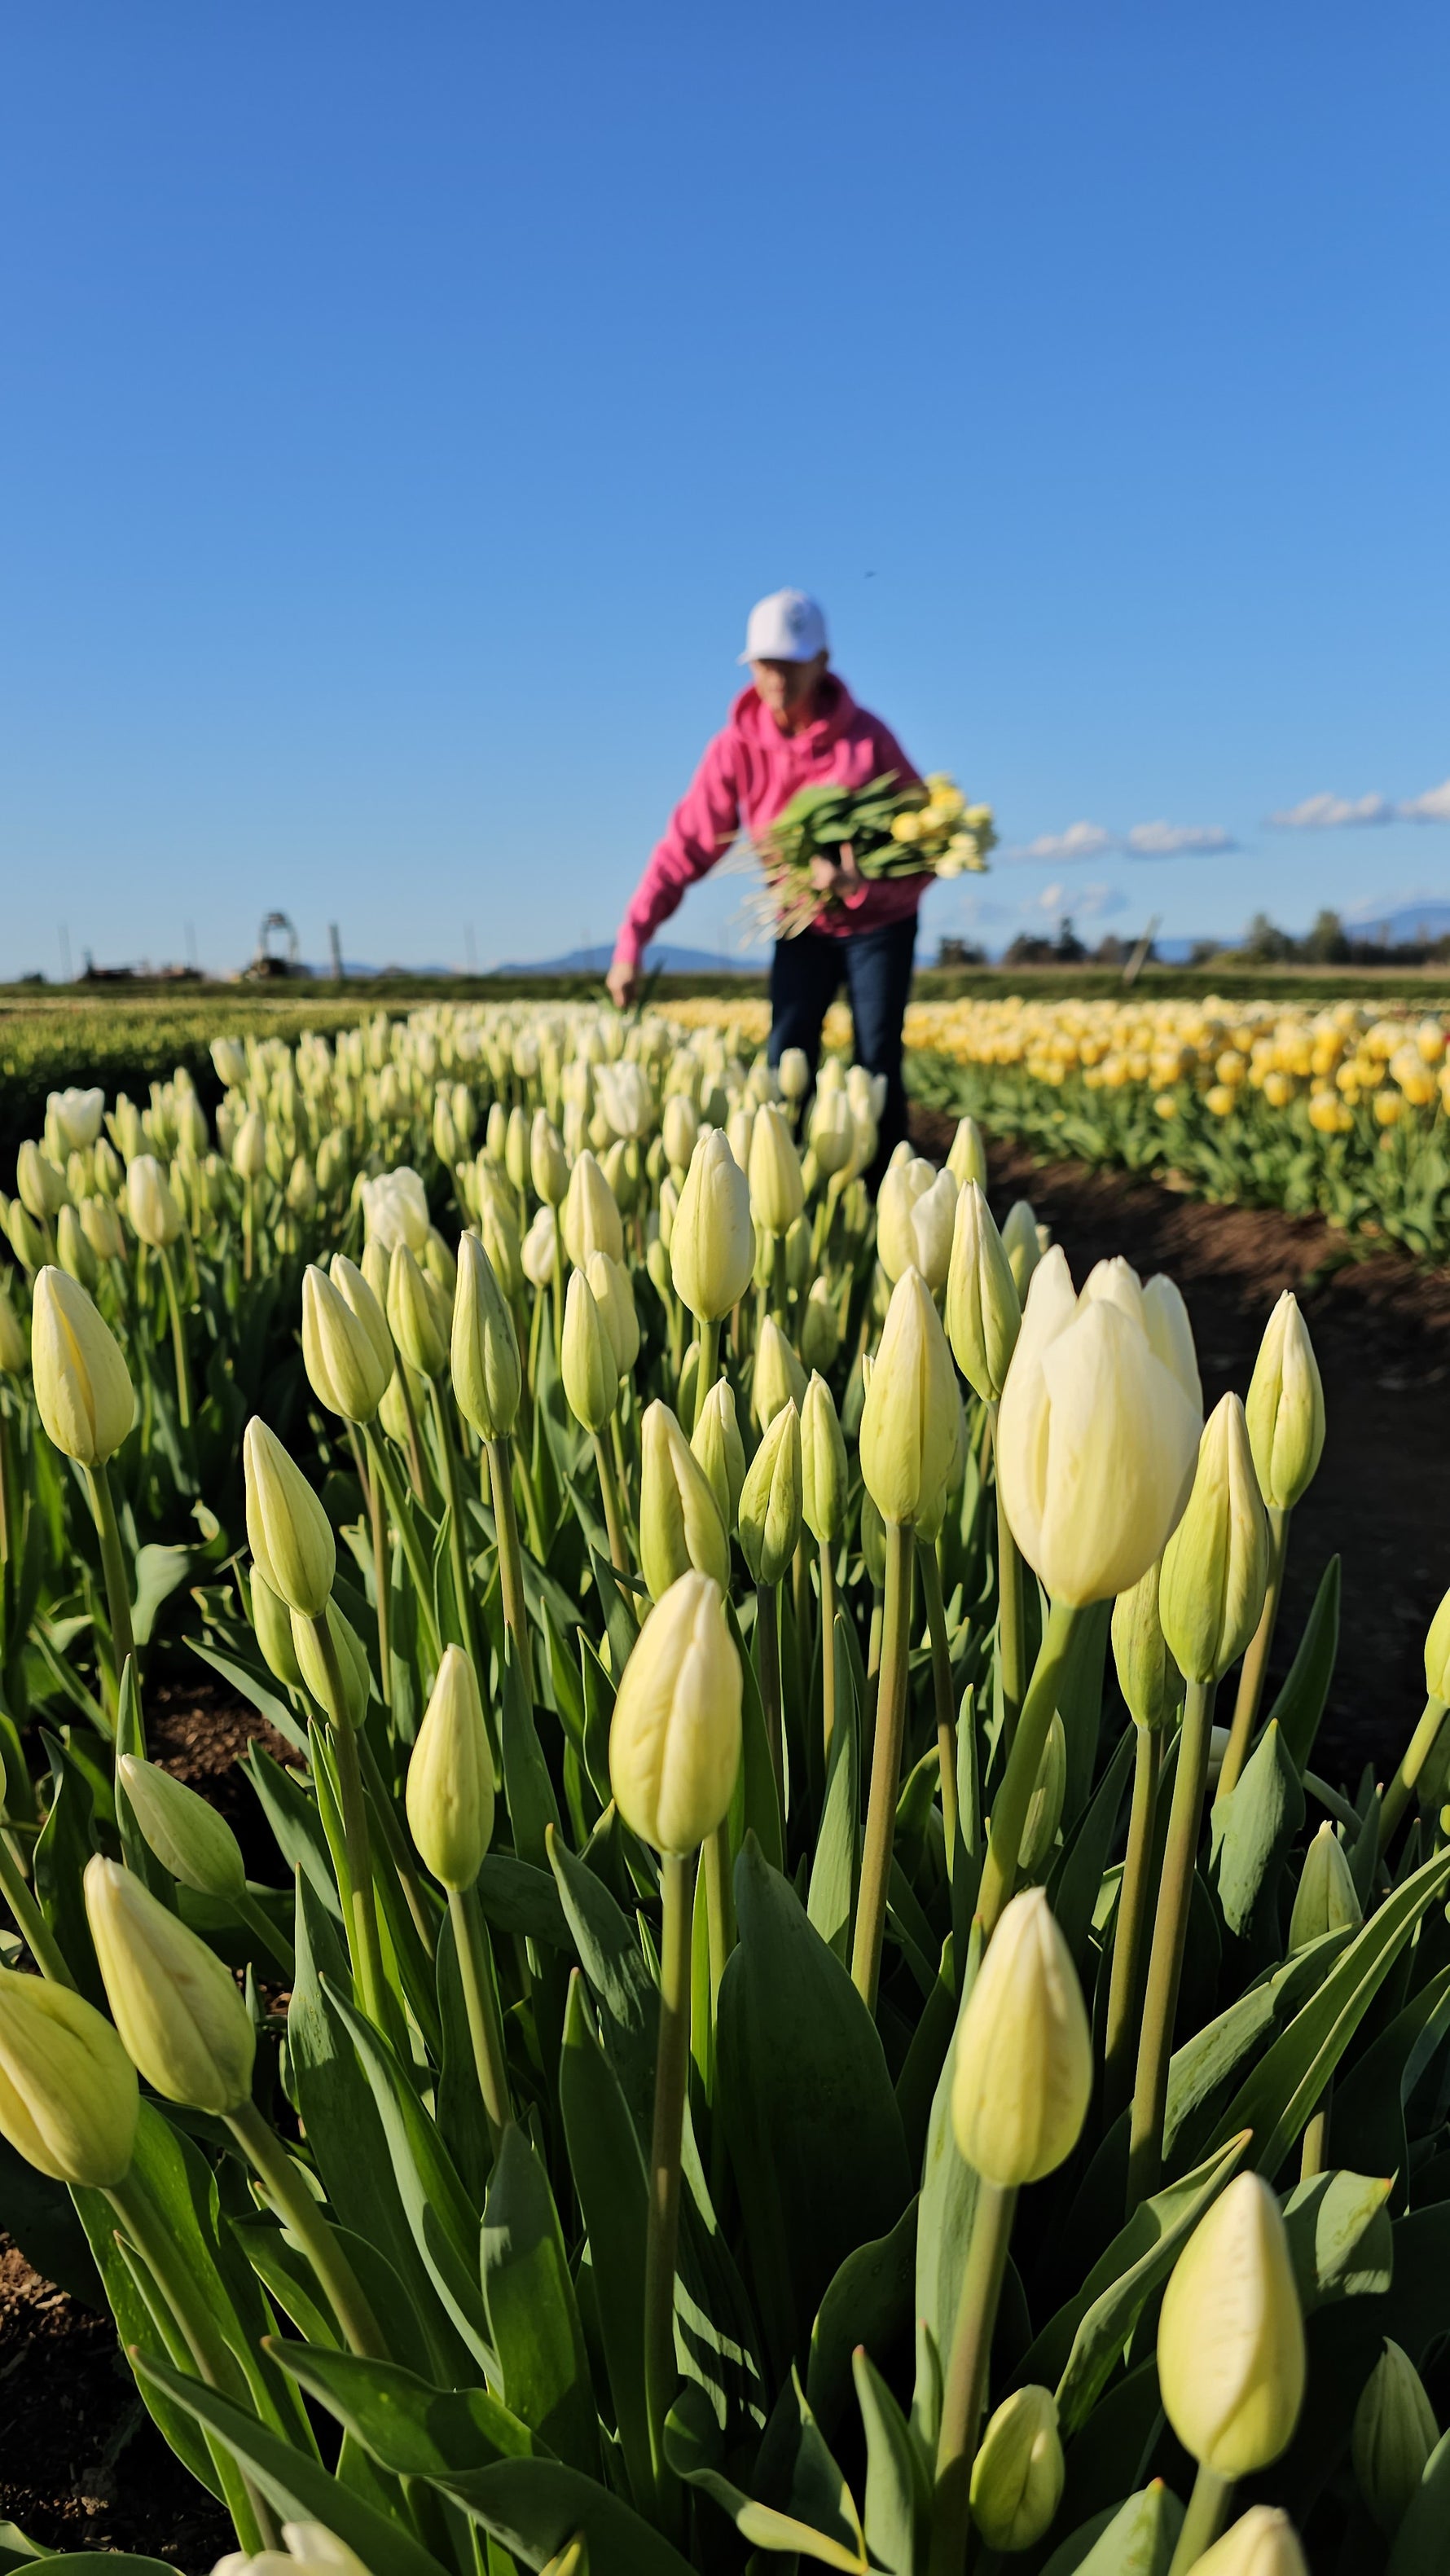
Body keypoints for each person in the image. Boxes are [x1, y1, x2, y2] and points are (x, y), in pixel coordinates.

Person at [606, 590, 926, 1174]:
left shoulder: (868, 740)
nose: (777, 676)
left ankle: (888, 1204)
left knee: (877, 1064)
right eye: (766, 662)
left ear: (823, 661)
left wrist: (861, 888)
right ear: (750, 665)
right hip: (799, 919)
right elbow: (686, 845)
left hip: (879, 925)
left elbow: (925, 847)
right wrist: (634, 940)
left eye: (792, 661)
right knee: (786, 1058)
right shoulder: (735, 748)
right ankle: (791, 1191)